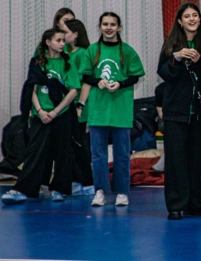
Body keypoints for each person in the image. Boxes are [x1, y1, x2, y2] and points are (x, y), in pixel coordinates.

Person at [2, 29, 79, 204]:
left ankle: (58, 189)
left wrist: (55, 111)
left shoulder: (67, 63)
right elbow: (32, 88)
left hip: (61, 114)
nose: (62, 44)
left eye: (63, 41)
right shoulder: (37, 62)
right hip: (41, 115)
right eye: (58, 40)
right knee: (34, 152)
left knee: (63, 152)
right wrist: (40, 110)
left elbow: (73, 91)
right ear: (48, 42)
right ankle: (23, 189)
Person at [78, 12, 145, 207]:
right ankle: (100, 191)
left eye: (112, 24)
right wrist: (97, 81)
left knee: (122, 154)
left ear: (119, 28)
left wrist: (121, 84)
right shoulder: (92, 50)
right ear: (100, 27)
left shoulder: (128, 51)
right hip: (98, 111)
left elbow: (135, 76)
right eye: (105, 24)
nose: (109, 27)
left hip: (121, 111)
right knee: (98, 154)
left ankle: (122, 192)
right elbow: (85, 76)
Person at [158, 3, 201, 220]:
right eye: (187, 16)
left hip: (198, 112)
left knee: (196, 159)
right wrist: (177, 58)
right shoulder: (171, 44)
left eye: (195, 15)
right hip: (175, 113)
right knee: (175, 160)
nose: (192, 19)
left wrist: (200, 62)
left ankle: (195, 204)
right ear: (180, 21)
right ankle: (175, 204)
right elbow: (164, 73)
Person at [63, 19, 95, 196]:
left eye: (65, 32)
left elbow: (86, 82)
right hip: (66, 105)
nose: (63, 35)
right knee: (69, 145)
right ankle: (75, 180)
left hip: (78, 106)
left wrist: (80, 105)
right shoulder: (66, 53)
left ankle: (87, 181)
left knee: (78, 143)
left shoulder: (82, 54)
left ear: (75, 34)